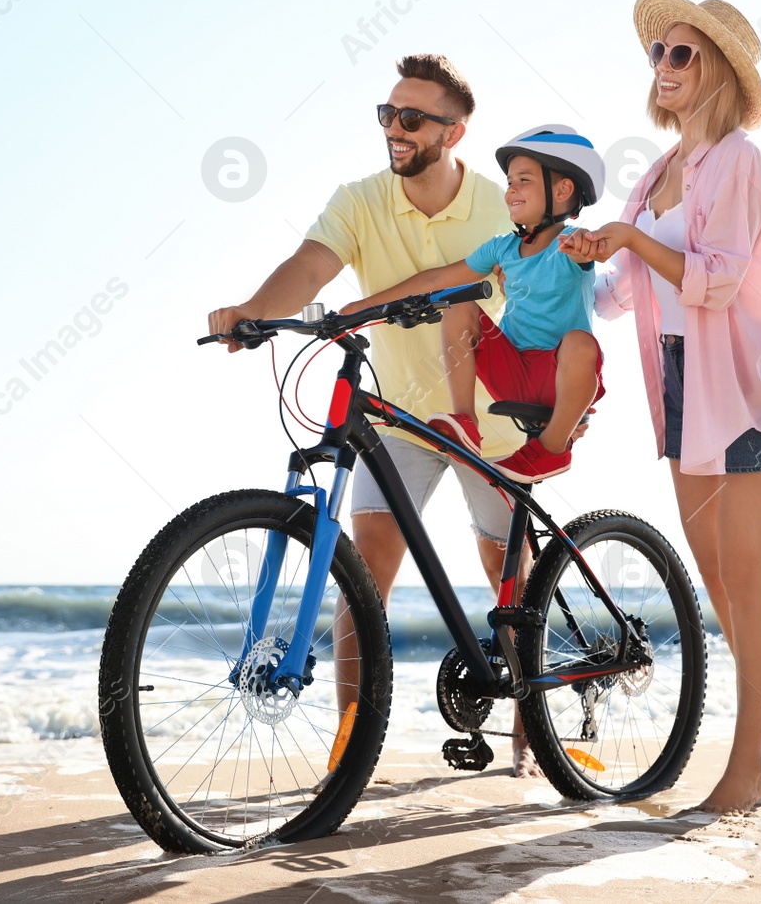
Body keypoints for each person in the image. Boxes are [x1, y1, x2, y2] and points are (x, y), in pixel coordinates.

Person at [206, 54, 548, 776]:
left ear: (453, 132)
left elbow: (541, 302)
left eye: (412, 118)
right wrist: (253, 312)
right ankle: (349, 750)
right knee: (362, 581)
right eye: (387, 114)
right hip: (394, 419)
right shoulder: (361, 200)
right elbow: (309, 265)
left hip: (487, 421)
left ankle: (530, 728)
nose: (395, 128)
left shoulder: (497, 205)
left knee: (505, 576)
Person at [560, 0, 761, 813]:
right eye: (657, 54)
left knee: (747, 581)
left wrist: (631, 240)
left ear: (717, 68)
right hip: (682, 386)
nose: (664, 67)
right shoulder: (656, 174)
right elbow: (624, 293)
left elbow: (715, 278)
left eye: (681, 54)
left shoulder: (741, 160)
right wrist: (580, 259)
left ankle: (746, 769)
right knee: (718, 579)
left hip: (748, 393)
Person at [340, 125, 607, 483]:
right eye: (510, 181)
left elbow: (592, 249)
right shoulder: (501, 248)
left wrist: (587, 244)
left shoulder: (572, 243)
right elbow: (437, 280)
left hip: (562, 377)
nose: (510, 189)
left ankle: (552, 448)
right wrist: (364, 307)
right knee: (458, 302)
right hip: (513, 371)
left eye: (523, 180)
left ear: (562, 190)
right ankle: (466, 422)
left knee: (580, 342)